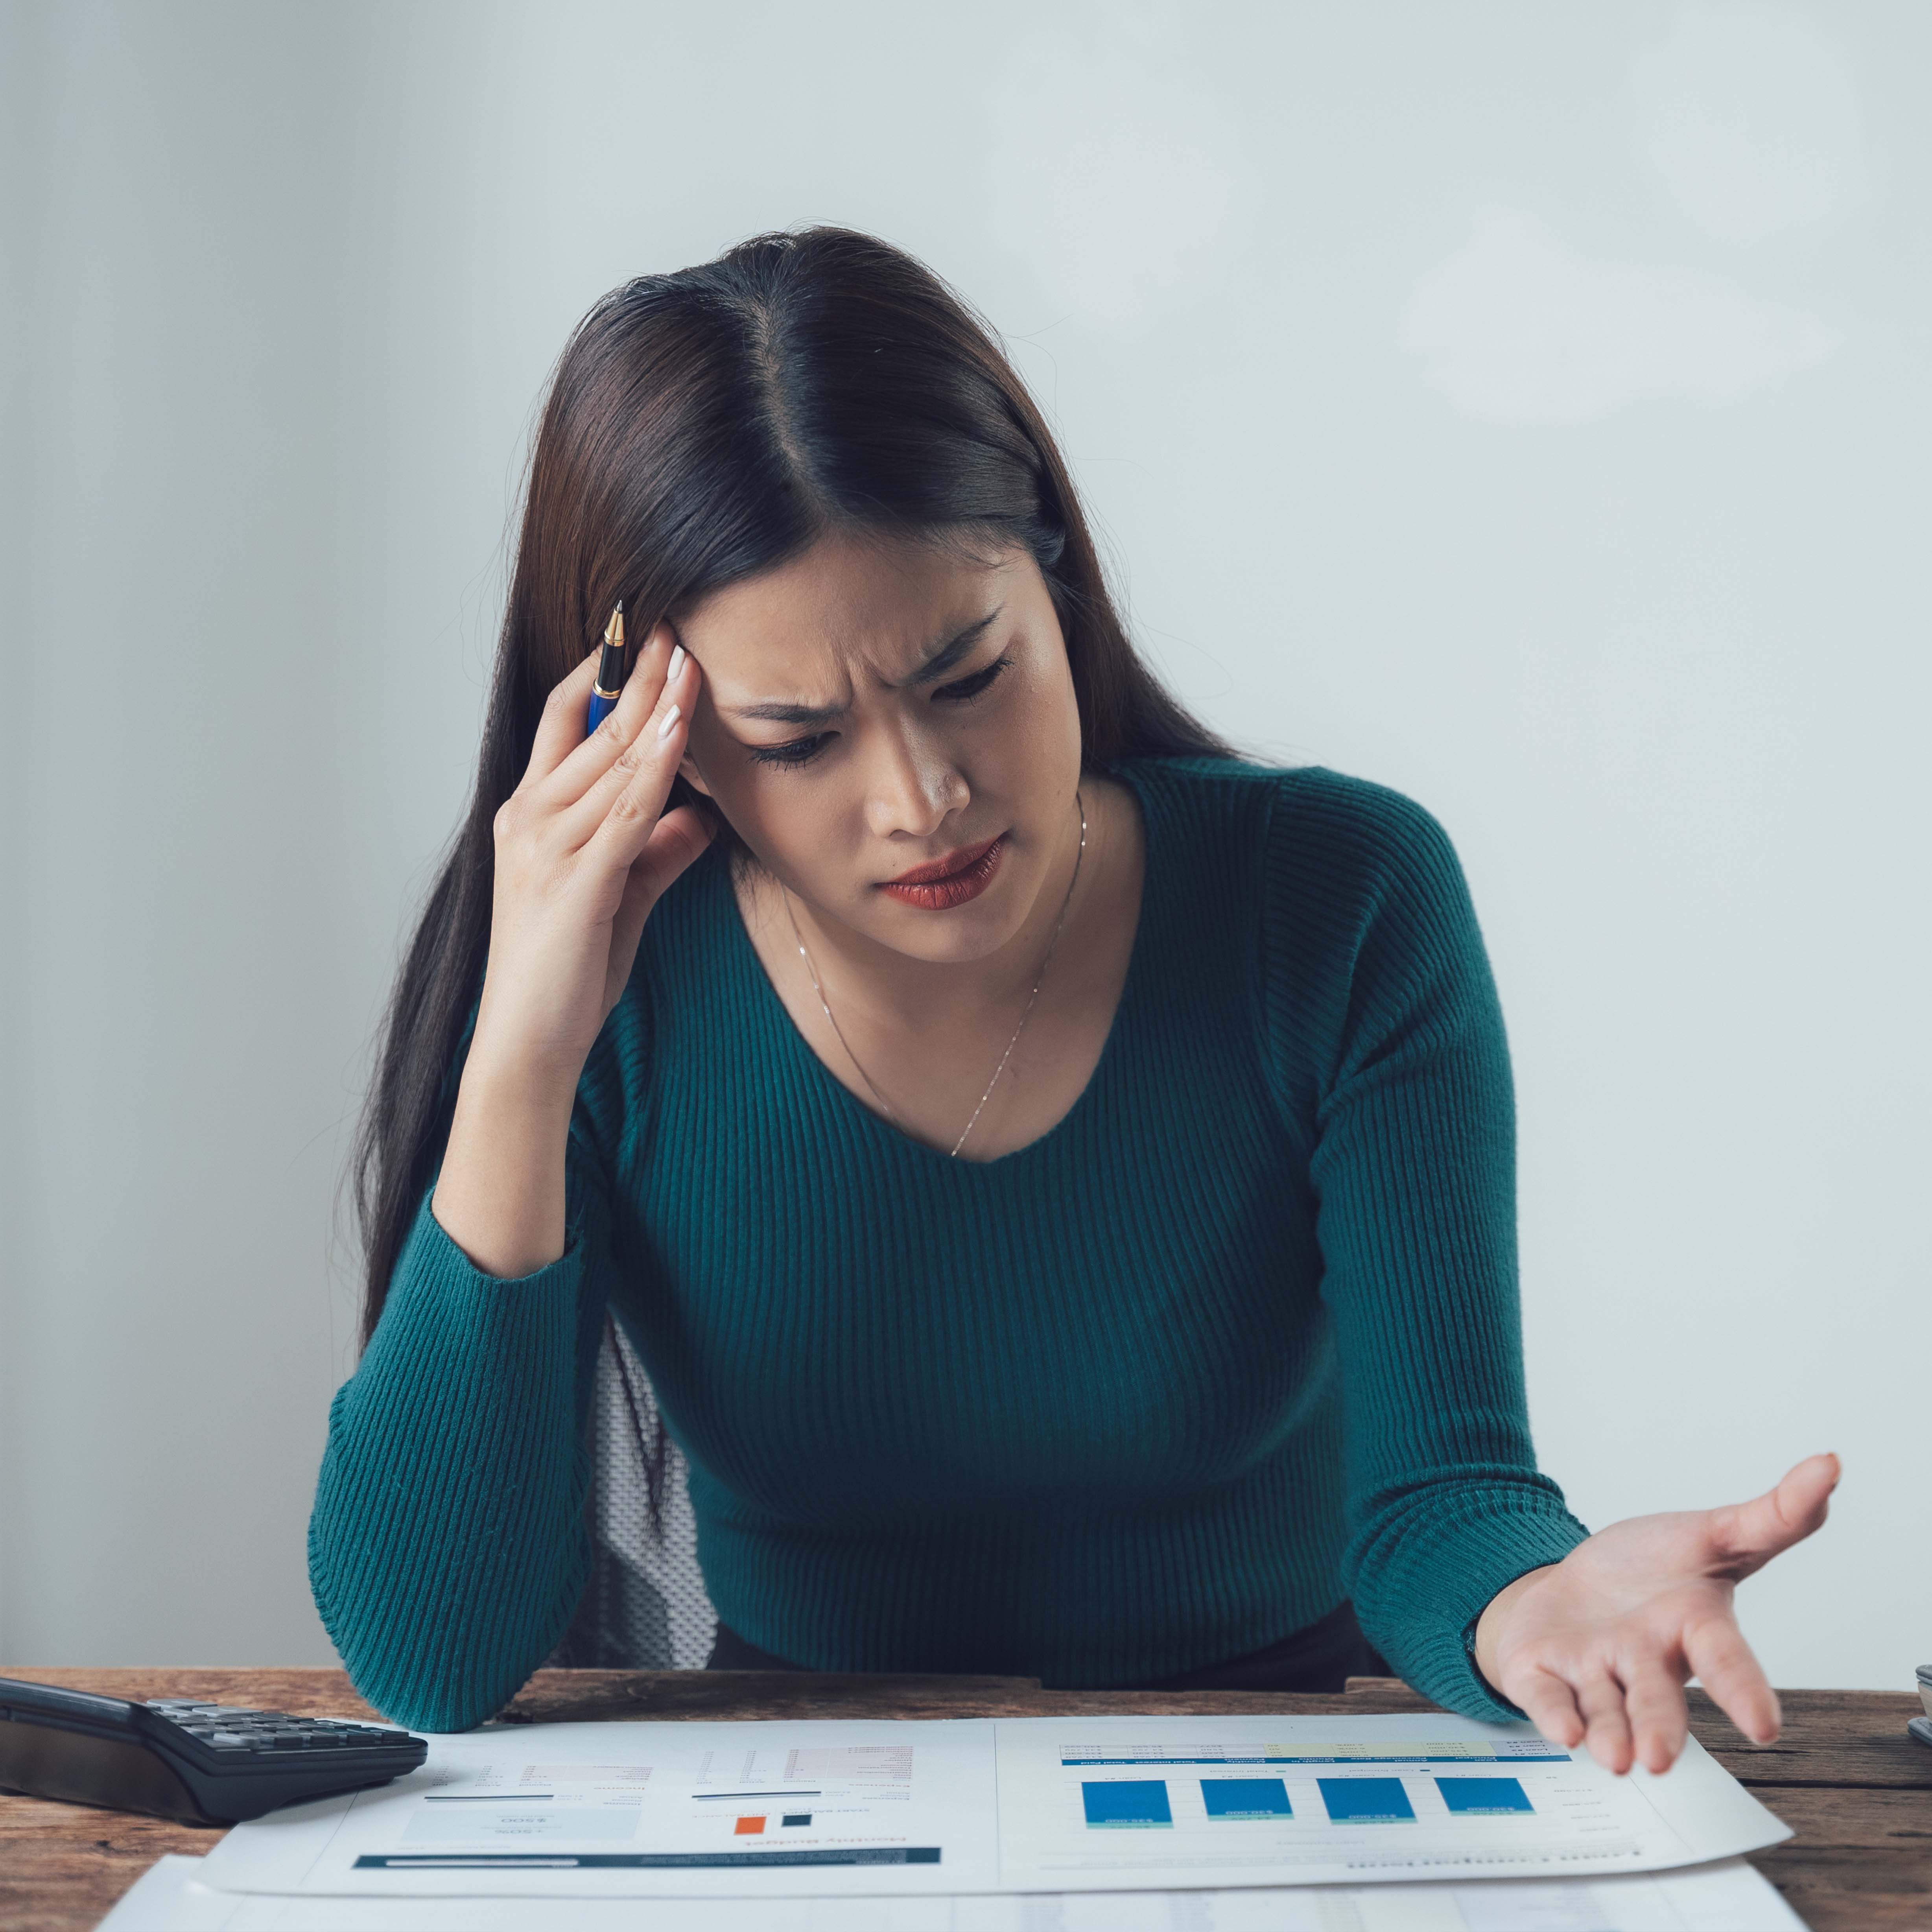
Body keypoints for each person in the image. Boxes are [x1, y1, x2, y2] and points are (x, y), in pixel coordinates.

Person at [311, 227, 1837, 1772]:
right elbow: (433, 1654)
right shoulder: (613, 987)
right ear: (653, 733)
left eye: (968, 676)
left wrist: (1533, 1604)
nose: (923, 798)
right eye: (798, 739)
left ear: (1055, 583)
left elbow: (1444, 1495)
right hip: (799, 1792)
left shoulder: (1340, 900)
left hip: (1288, 1770)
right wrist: (526, 1049)